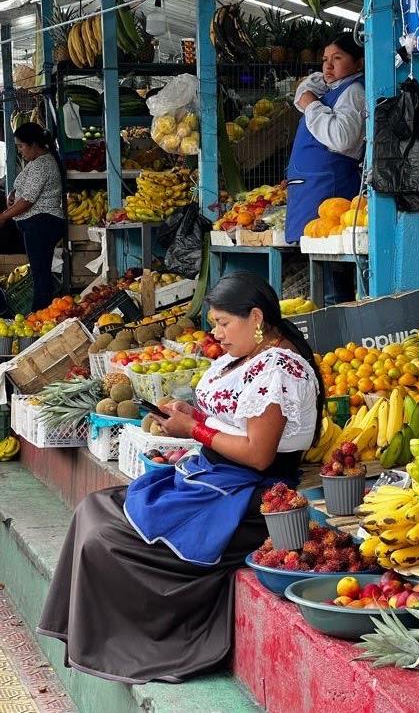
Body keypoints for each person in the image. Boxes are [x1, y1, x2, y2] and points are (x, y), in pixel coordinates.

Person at [37, 271, 323, 684]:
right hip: (213, 479)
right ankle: (90, 638)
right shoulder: (246, 356)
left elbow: (259, 455)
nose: (216, 333)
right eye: (215, 323)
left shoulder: (279, 369)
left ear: (256, 318)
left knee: (106, 538)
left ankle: (133, 643)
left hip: (247, 499)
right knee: (94, 509)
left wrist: (196, 431)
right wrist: (193, 417)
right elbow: (234, 423)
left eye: (224, 322)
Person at [285, 32, 366, 305]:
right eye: (325, 60)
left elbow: (342, 138)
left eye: (338, 59)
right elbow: (302, 93)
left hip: (330, 190)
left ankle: (341, 332)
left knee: (335, 276)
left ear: (359, 64)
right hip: (316, 190)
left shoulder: (353, 92)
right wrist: (313, 95)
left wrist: (312, 106)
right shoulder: (334, 89)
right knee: (326, 265)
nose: (328, 67)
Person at [0, 123, 64, 311]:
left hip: (42, 223)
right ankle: (42, 312)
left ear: (34, 144)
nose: (20, 151)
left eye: (21, 146)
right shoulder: (37, 163)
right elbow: (26, 191)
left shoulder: (43, 164)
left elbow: (28, 200)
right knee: (39, 270)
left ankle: (41, 312)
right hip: (37, 224)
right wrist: (13, 193)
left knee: (40, 272)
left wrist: (4, 216)